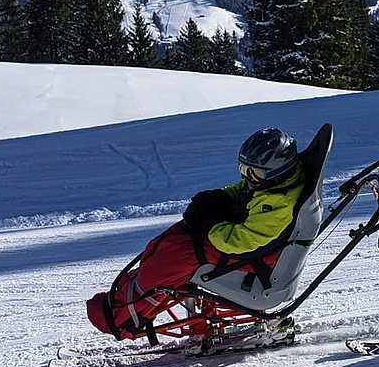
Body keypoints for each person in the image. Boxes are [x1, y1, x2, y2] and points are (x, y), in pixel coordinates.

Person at [87, 128, 307, 339]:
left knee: (174, 258)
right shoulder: (269, 185)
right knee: (172, 243)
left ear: (278, 172)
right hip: (249, 254)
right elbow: (240, 191)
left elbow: (239, 241)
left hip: (252, 262)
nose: (248, 179)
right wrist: (218, 198)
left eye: (255, 173)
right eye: (243, 170)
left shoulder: (276, 207)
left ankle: (122, 316)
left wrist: (211, 223)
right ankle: (122, 300)